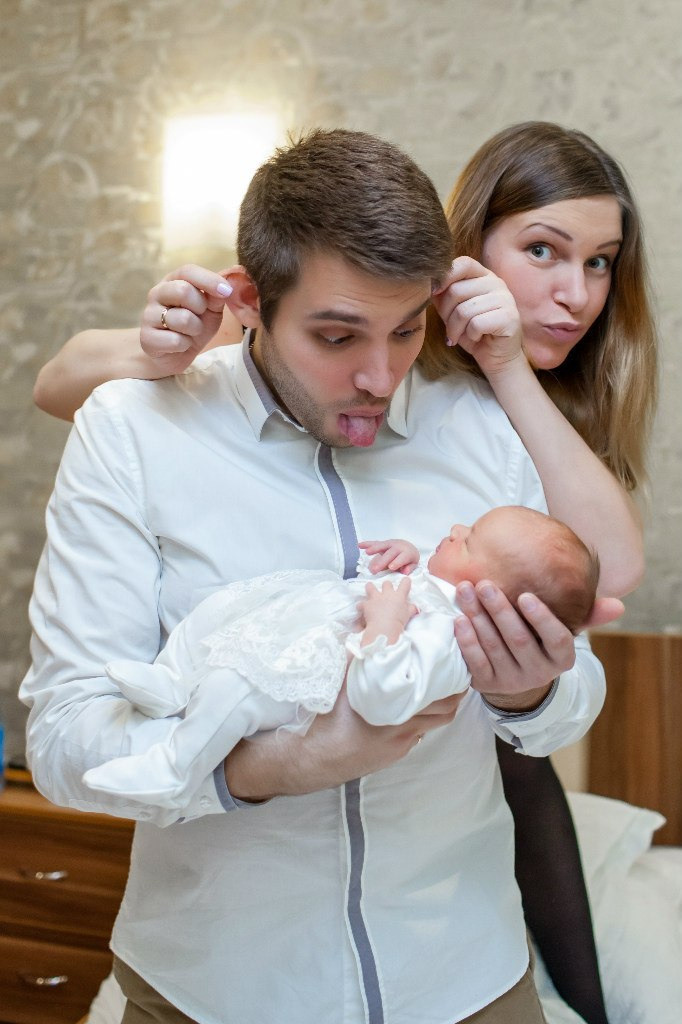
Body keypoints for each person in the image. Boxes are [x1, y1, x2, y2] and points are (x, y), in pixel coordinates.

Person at [21, 126, 619, 1024]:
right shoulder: (134, 433)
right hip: (212, 989)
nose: (379, 375)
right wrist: (276, 764)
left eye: (407, 329)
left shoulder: (488, 430)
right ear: (253, 300)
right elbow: (66, 743)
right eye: (337, 336)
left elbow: (577, 689)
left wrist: (535, 693)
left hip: (465, 978)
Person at [81, 506, 599, 811]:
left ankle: (174, 767)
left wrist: (384, 623)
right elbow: (415, 582)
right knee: (221, 612)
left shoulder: (449, 640)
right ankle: (173, 682)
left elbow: (382, 697)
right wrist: (408, 558)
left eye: (470, 540)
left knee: (233, 689)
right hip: (293, 625)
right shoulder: (440, 588)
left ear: (487, 593)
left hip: (306, 673)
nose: (457, 528)